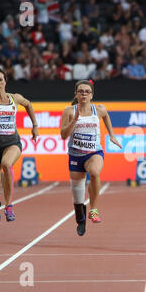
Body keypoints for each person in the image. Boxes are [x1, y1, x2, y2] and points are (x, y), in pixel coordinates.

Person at [0, 68, 39, 224]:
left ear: (5, 81)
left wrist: (35, 125)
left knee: (7, 163)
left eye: (0, 80)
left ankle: (9, 205)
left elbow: (29, 104)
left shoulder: (15, 98)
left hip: (12, 143)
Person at [60, 80, 122, 236]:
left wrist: (112, 135)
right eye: (80, 91)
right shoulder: (68, 111)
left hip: (94, 153)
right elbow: (63, 135)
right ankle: (80, 220)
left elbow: (106, 116)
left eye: (87, 91)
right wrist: (74, 119)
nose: (84, 94)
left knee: (94, 172)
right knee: (77, 195)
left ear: (92, 95)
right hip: (75, 155)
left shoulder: (99, 109)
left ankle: (93, 209)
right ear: (76, 94)